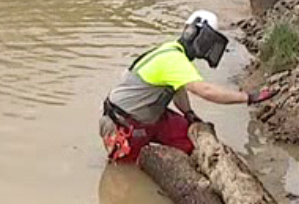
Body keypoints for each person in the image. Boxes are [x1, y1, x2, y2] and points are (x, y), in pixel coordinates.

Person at [100, 11, 276, 163]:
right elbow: (206, 91)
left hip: (150, 114)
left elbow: (177, 88)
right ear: (195, 33)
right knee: (127, 172)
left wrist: (189, 114)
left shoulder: (172, 51)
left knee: (191, 142)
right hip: (122, 123)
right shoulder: (174, 59)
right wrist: (248, 97)